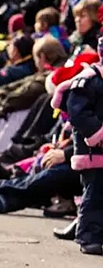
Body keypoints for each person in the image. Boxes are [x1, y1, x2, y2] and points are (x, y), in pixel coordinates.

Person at [64, 36, 103, 255]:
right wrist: (97, 133)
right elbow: (77, 113)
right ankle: (88, 236)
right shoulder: (90, 79)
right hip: (92, 150)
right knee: (95, 193)